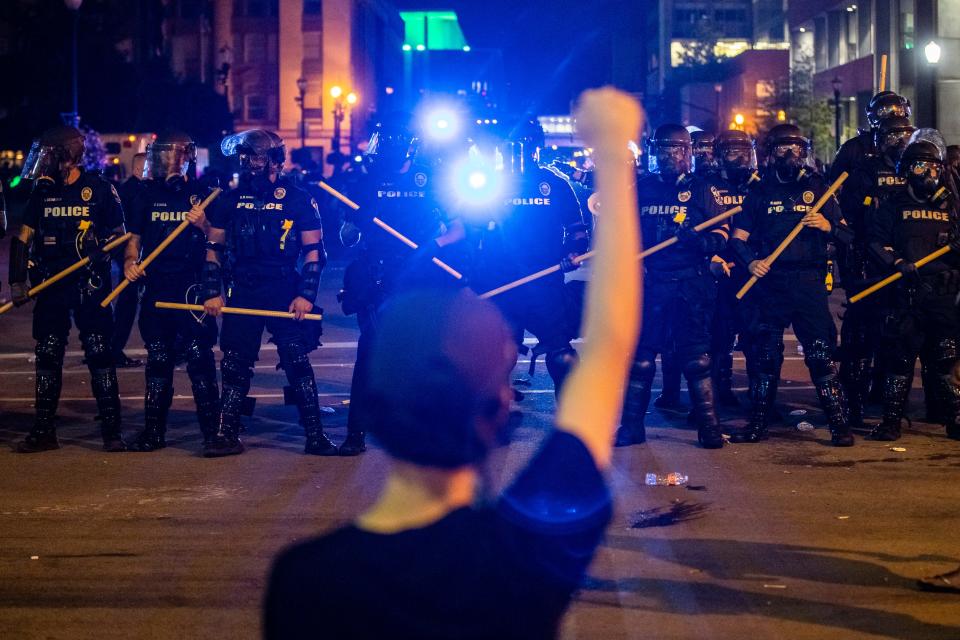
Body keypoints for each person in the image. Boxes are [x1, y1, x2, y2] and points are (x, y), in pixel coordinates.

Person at [263, 86, 642, 640]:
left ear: (376, 409)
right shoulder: (521, 558)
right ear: (498, 409)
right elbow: (609, 349)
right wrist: (611, 151)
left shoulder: (302, 580)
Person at [338, 114, 466, 456]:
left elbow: (459, 229)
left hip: (422, 274)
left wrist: (432, 248)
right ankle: (355, 433)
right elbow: (347, 238)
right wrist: (357, 224)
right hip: (378, 275)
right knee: (370, 348)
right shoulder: (365, 183)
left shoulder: (434, 180)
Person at [202, 129, 333, 457]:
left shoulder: (298, 198)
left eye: (256, 157)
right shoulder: (229, 199)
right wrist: (211, 291)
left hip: (283, 288)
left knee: (295, 358)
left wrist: (306, 294)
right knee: (234, 362)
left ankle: (315, 434)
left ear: (275, 159)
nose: (249, 164)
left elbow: (315, 252)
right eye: (245, 157)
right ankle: (226, 432)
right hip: (242, 288)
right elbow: (213, 248)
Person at [730, 123, 854, 446]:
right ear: (771, 154)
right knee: (765, 355)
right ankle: (758, 423)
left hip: (808, 281)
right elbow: (737, 239)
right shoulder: (759, 191)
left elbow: (847, 235)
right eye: (783, 149)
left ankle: (839, 425)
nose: (790, 155)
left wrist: (827, 225)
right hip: (771, 281)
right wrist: (751, 262)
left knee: (819, 355)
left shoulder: (818, 187)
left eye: (796, 149)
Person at [10, 125, 127, 453]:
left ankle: (112, 431)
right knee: (47, 354)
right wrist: (17, 281)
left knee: (100, 352)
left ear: (68, 156)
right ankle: (45, 430)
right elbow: (23, 238)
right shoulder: (41, 192)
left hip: (90, 284)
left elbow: (122, 233)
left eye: (49, 155)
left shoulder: (100, 189)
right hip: (51, 285)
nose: (44, 162)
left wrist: (104, 247)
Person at [615, 123, 728, 450]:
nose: (668, 156)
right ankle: (632, 427)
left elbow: (721, 237)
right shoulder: (640, 188)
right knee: (642, 357)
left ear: (687, 153)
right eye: (662, 150)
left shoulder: (703, 189)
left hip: (691, 282)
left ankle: (709, 427)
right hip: (652, 282)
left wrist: (699, 240)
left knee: (696, 358)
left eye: (675, 150)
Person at [469, 118, 588, 396]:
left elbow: (577, 231)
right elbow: (472, 231)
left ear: (536, 147)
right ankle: (492, 414)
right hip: (499, 281)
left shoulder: (555, 184)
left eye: (522, 146)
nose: (516, 153)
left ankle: (570, 419)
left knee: (561, 354)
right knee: (498, 352)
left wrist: (573, 252)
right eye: (510, 147)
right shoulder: (487, 184)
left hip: (544, 280)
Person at [120, 132, 220, 453]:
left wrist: (204, 225)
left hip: (190, 288)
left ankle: (211, 435)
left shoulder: (203, 193)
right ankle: (153, 433)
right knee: (159, 359)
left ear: (188, 158)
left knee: (198, 358)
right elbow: (133, 239)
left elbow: (220, 243)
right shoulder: (146, 194)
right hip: (157, 286)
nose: (169, 163)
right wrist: (130, 263)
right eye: (163, 157)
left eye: (174, 156)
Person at [865, 131, 960, 441]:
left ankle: (955, 417)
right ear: (906, 170)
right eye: (920, 167)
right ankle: (891, 421)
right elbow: (876, 241)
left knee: (945, 360)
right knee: (900, 359)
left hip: (942, 293)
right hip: (906, 293)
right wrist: (896, 263)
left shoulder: (952, 206)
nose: (928, 174)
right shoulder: (893, 205)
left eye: (933, 168)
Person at [836, 116, 913, 429]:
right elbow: (851, 212)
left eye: (905, 135)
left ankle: (887, 402)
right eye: (894, 136)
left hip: (901, 261)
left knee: (895, 336)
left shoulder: (912, 168)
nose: (900, 142)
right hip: (868, 261)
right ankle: (853, 405)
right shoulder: (866, 169)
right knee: (860, 337)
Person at [708, 129, 760, 408]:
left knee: (755, 337)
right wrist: (711, 259)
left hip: (752, 269)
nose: (739, 158)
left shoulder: (758, 185)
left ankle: (758, 394)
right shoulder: (708, 185)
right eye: (731, 152)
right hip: (721, 271)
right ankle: (720, 392)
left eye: (744, 152)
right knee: (720, 337)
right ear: (719, 156)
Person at [110, 152, 148, 368]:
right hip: (130, 253)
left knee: (129, 301)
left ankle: (113, 348)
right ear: (137, 169)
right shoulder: (136, 192)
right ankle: (114, 349)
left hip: (127, 252)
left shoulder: (126, 189)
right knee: (128, 302)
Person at [830, 91, 912, 181]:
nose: (895, 115)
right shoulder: (854, 147)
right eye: (887, 111)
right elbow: (834, 182)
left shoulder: (912, 146)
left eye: (900, 111)